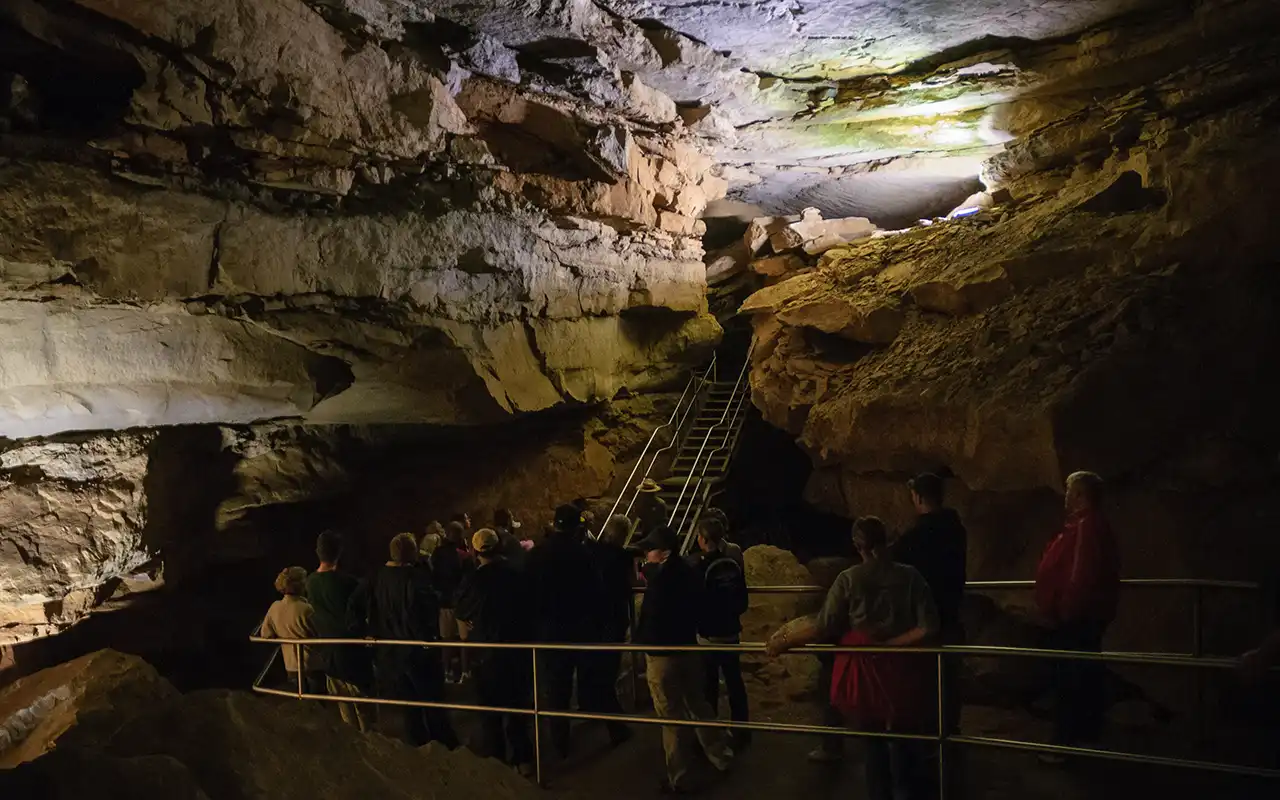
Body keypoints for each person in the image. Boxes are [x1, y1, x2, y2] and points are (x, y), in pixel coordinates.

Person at [768, 517, 939, 800]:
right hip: (904, 666)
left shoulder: (849, 579)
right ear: (886, 541)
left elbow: (824, 625)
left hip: (865, 666)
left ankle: (879, 794)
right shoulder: (911, 577)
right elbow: (928, 627)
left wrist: (784, 641)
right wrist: (893, 644)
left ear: (857, 546)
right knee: (905, 737)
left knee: (873, 743)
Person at [634, 524, 734, 794]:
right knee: (698, 704)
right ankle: (721, 756)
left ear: (664, 553)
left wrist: (641, 643)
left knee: (671, 716)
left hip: (662, 656)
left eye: (650, 549)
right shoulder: (690, 572)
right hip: (688, 649)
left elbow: (651, 619)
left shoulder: (659, 582)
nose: (646, 554)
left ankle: (679, 777)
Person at [527, 503, 625, 756]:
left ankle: (560, 745)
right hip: (581, 628)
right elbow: (596, 592)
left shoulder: (537, 554)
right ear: (575, 527)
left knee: (556, 689)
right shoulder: (583, 554)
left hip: (550, 631)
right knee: (597, 680)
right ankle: (617, 730)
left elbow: (528, 593)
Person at [1034, 470, 1120, 759]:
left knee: (1069, 679)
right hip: (1085, 615)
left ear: (1080, 495)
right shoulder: (1089, 525)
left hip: (1076, 618)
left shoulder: (1086, 527)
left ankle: (1065, 744)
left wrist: (1064, 611)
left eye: (1070, 491)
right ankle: (1085, 737)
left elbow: (1079, 575)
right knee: (1083, 674)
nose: (1066, 497)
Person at [366, 532, 459, 748]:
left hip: (392, 651)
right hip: (418, 651)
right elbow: (426, 610)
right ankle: (444, 746)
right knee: (433, 703)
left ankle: (417, 746)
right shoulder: (416, 578)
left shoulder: (378, 577)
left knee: (409, 708)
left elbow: (371, 608)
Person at [456, 529, 536, 777]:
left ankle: (497, 762)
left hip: (486, 653)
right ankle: (523, 759)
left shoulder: (473, 580)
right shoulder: (516, 574)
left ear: (475, 551)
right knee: (518, 707)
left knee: (490, 711)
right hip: (517, 650)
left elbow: (462, 612)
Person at [892, 474, 968, 732]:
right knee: (949, 680)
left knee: (923, 682)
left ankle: (927, 737)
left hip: (923, 619)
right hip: (952, 613)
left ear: (918, 497)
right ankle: (949, 735)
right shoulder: (956, 530)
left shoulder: (915, 538)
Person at [692, 514, 751, 750]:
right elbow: (742, 601)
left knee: (709, 686)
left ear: (704, 539)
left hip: (709, 637)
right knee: (735, 682)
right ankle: (742, 730)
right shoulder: (732, 565)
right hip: (731, 632)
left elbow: (697, 603)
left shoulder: (700, 566)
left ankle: (710, 736)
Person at [306, 530, 371, 731]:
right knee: (365, 710)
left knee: (345, 711)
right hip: (353, 653)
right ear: (339, 552)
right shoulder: (349, 583)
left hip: (329, 653)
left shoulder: (310, 582)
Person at [585, 513, 637, 746]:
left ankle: (595, 710)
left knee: (596, 670)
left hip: (593, 619)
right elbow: (632, 584)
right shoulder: (623, 557)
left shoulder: (593, 552)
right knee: (607, 674)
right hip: (613, 620)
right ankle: (616, 726)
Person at [260, 566, 322, 694]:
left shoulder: (275, 607)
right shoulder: (307, 609)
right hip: (313, 665)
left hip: (291, 666)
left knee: (300, 701)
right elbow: (321, 633)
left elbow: (265, 634)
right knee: (318, 700)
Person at [432, 521, 472, 683]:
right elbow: (469, 581)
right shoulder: (464, 556)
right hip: (462, 604)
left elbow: (433, 577)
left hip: (445, 602)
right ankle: (465, 672)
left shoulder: (437, 554)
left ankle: (447, 672)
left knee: (446, 640)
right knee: (465, 641)